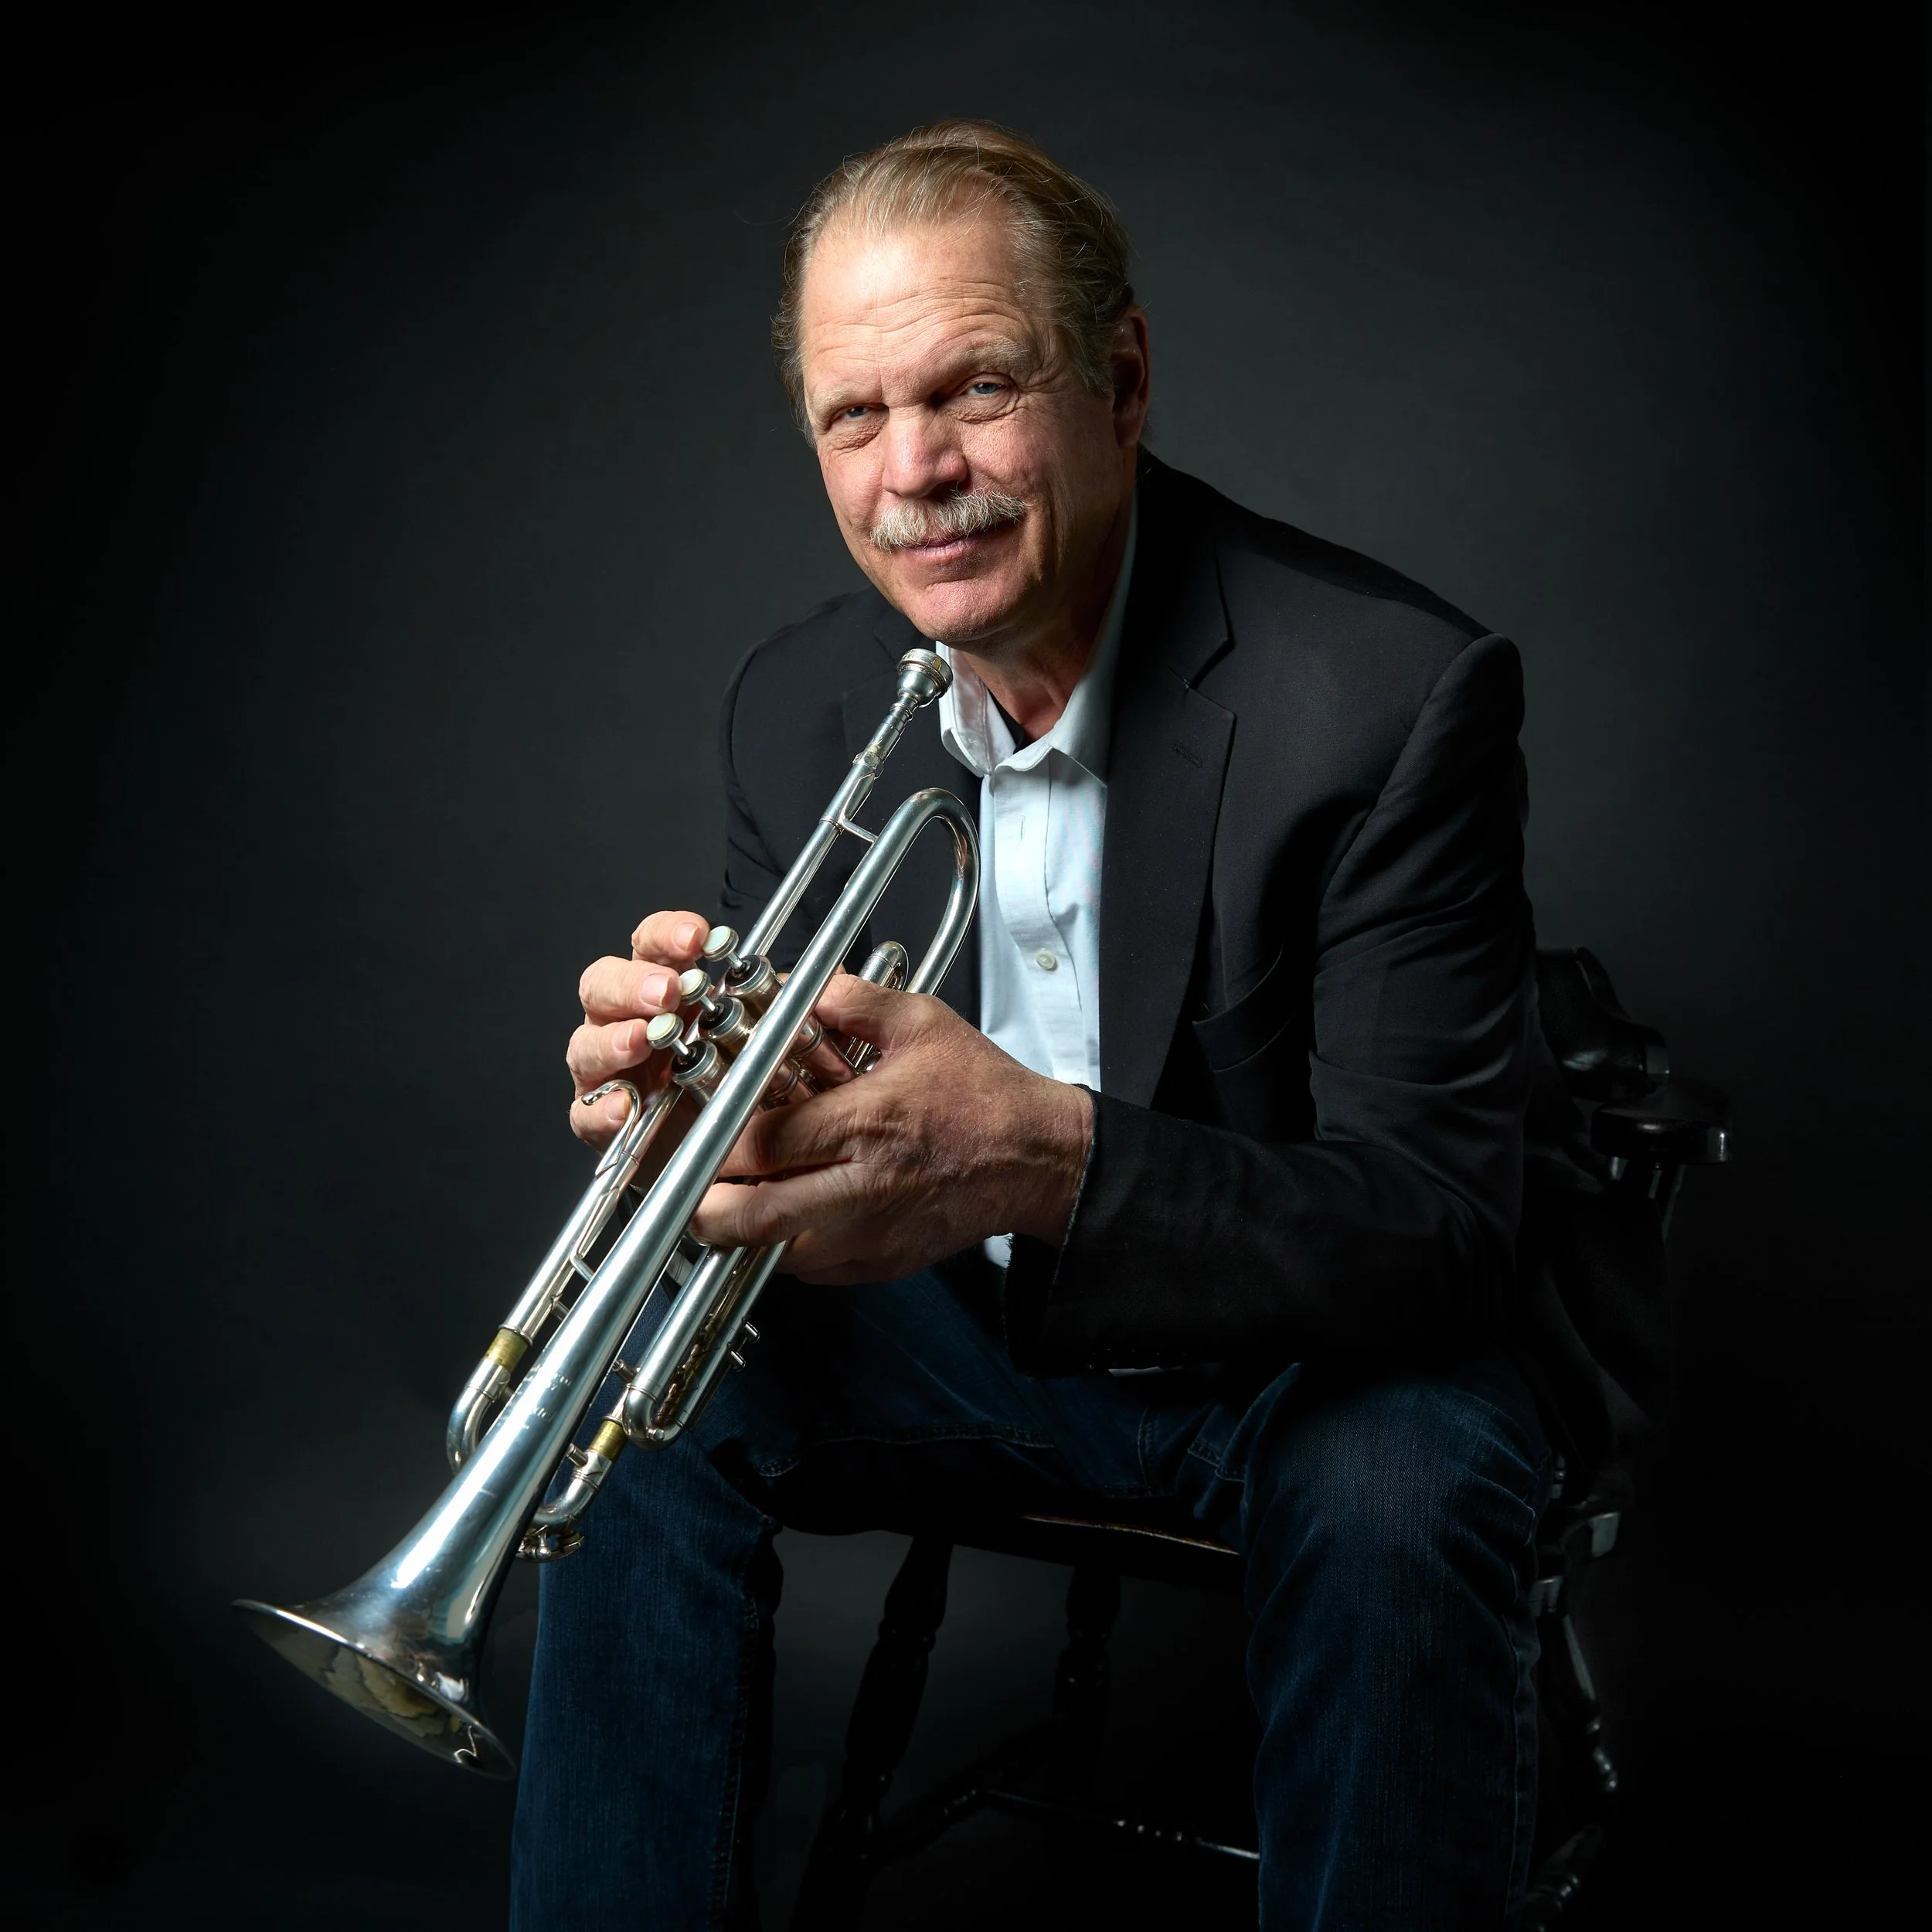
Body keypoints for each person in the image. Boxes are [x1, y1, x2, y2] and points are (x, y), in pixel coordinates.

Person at [515, 121, 1556, 1930]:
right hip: (978, 1337)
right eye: (854, 416)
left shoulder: (1384, 695)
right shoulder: (800, 695)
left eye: (976, 387)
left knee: (1408, 1478)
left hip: (1302, 1364)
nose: (915, 470)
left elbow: (1443, 1233)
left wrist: (1052, 1155)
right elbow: (840, 1113)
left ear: (1122, 379)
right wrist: (715, 1129)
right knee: (626, 1392)